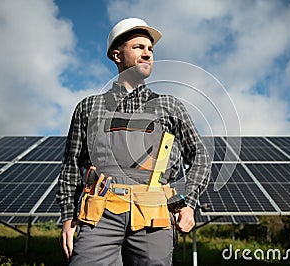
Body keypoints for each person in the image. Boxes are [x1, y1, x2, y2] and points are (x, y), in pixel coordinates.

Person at [56, 17, 210, 265]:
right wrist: (67, 217)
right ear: (117, 56)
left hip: (154, 214)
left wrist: (189, 203)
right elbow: (71, 166)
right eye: (138, 47)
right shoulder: (88, 108)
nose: (148, 54)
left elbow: (200, 156)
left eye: (150, 49)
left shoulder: (169, 106)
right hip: (99, 214)